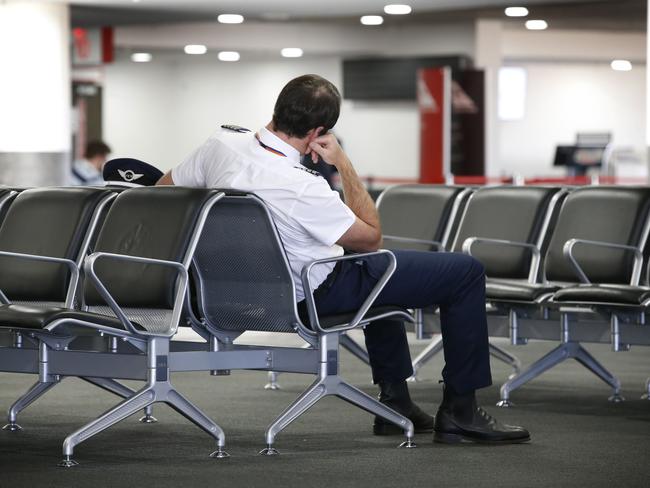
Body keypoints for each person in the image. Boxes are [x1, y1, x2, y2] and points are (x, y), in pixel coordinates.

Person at [157, 74, 530, 444]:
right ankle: (461, 412)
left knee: (383, 272)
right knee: (464, 271)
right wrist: (342, 164)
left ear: (278, 109)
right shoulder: (303, 186)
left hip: (234, 294)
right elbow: (370, 236)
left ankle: (396, 403)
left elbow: (162, 193)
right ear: (319, 131)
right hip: (312, 294)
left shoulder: (220, 145)